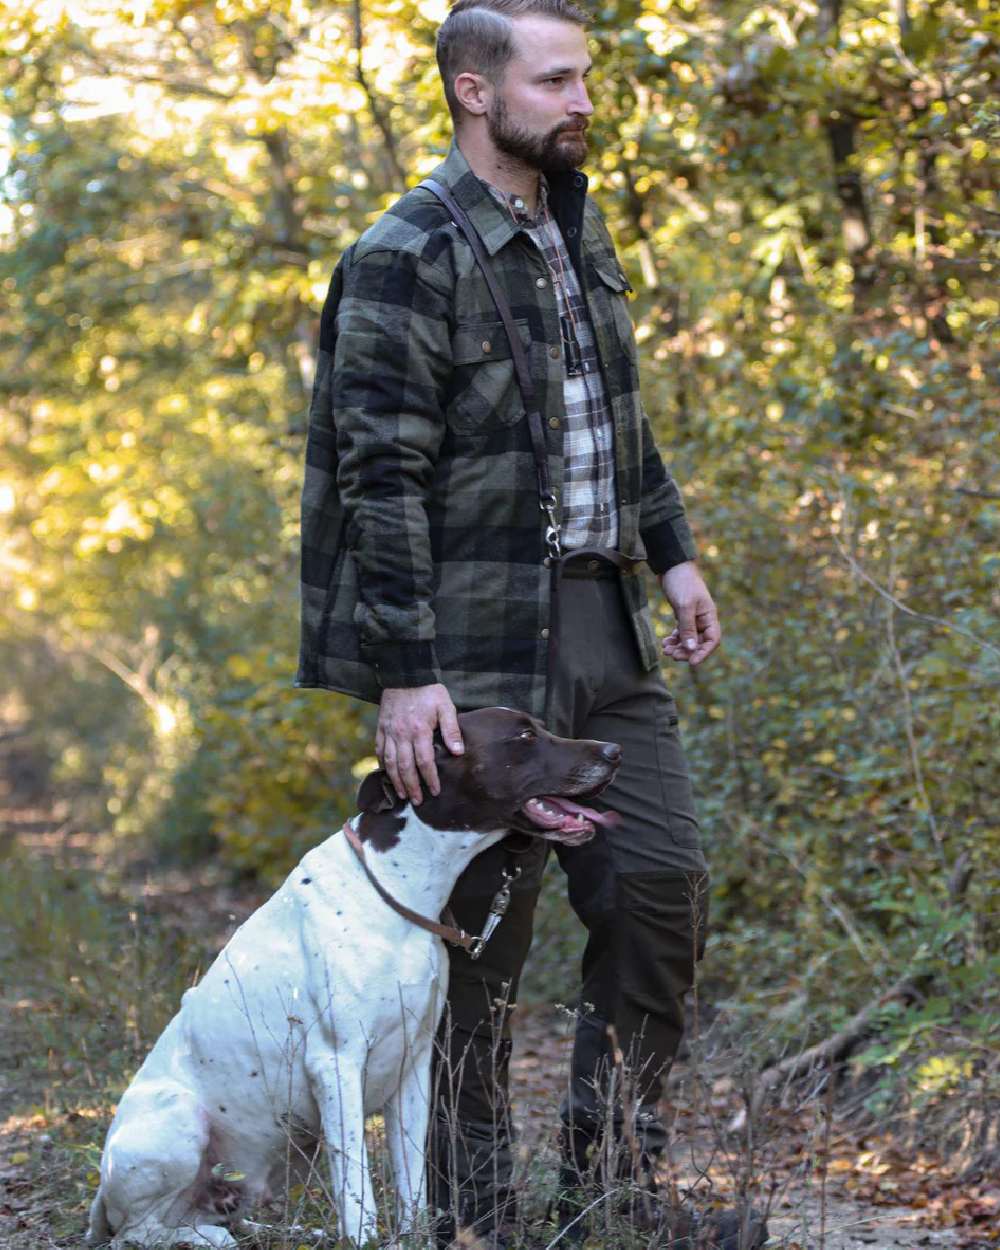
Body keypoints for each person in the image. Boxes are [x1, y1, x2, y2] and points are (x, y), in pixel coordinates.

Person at [297, 3, 765, 1247]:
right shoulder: (405, 251)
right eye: (555, 81)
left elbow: (615, 413)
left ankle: (610, 1189)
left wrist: (672, 551)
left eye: (582, 79)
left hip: (605, 625)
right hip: (474, 653)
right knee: (472, 951)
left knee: (657, 892)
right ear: (474, 90)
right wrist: (407, 673)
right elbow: (379, 476)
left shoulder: (573, 223)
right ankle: (474, 1214)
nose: (582, 101)